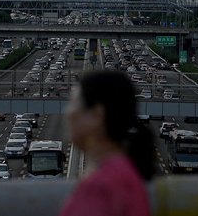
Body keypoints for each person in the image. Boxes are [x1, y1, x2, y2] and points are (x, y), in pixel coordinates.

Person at [59, 70, 154, 216]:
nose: (68, 113)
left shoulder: (100, 187)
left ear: (97, 114)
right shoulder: (123, 174)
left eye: (73, 104)